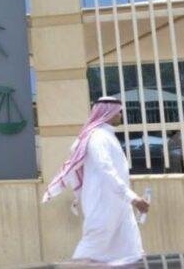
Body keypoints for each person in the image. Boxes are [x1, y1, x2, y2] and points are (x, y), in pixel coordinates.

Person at [42, 97, 150, 266]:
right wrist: (133, 198)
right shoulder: (98, 137)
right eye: (119, 112)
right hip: (102, 203)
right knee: (90, 250)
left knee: (131, 251)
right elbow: (106, 170)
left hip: (119, 204)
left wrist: (128, 199)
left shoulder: (107, 136)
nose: (121, 115)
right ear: (109, 113)